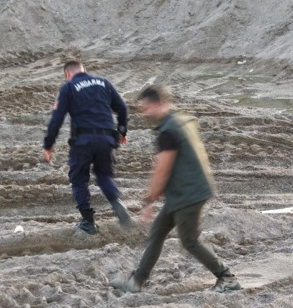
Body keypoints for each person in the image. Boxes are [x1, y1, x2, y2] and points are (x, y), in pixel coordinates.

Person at [113, 85, 240, 293]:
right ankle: (136, 282)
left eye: (146, 108)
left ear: (158, 104)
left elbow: (161, 170)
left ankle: (227, 277)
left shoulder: (168, 131)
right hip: (184, 191)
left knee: (189, 240)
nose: (144, 113)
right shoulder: (181, 120)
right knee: (157, 232)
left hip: (189, 194)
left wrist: (148, 201)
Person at [43, 60, 132, 234]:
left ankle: (88, 222)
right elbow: (122, 108)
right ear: (84, 70)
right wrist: (122, 131)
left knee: (78, 179)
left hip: (83, 141)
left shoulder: (68, 88)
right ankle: (116, 202)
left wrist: (48, 145)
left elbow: (57, 118)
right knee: (104, 175)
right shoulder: (103, 82)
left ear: (67, 74)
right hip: (107, 138)